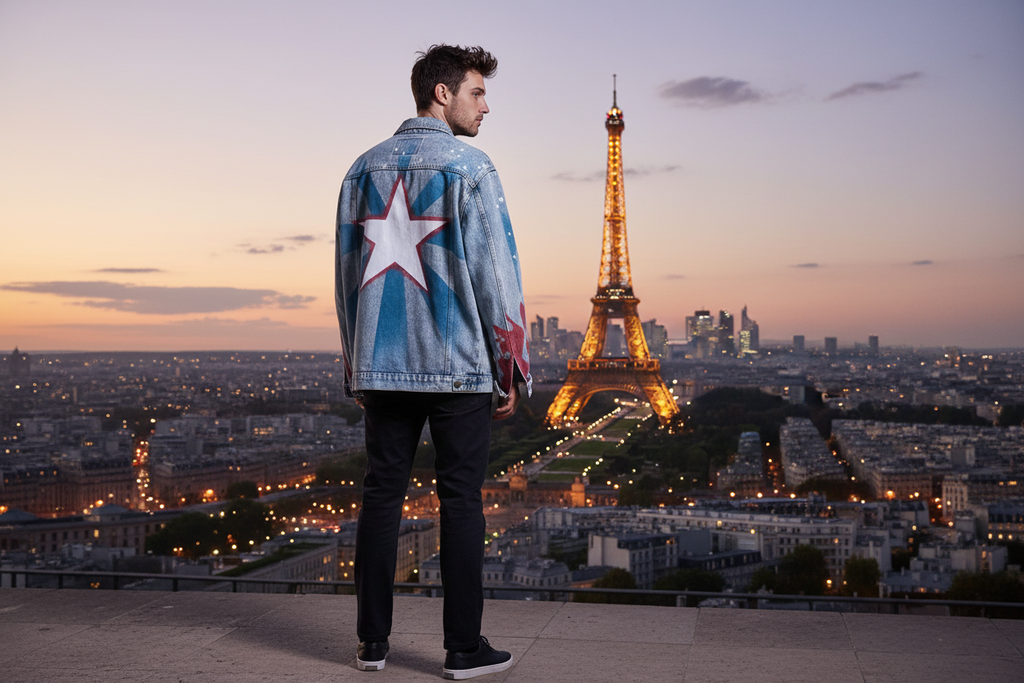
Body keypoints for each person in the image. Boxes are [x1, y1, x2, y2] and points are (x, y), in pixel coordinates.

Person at [334, 44, 530, 680]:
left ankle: (371, 644)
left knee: (381, 496)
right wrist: (512, 365)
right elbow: (496, 277)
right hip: (457, 365)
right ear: (441, 94)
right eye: (477, 92)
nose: (486, 105)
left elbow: (346, 279)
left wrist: (355, 360)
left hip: (382, 362)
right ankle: (462, 648)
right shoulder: (472, 168)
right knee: (462, 502)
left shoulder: (360, 171)